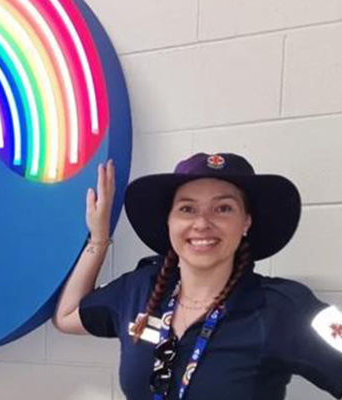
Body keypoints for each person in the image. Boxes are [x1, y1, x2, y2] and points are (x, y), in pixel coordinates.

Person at [53, 153, 342, 400]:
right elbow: (66, 317)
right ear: (169, 221)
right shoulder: (140, 288)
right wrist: (99, 239)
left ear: (246, 222)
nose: (202, 223)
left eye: (223, 208)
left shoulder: (284, 308)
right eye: (187, 209)